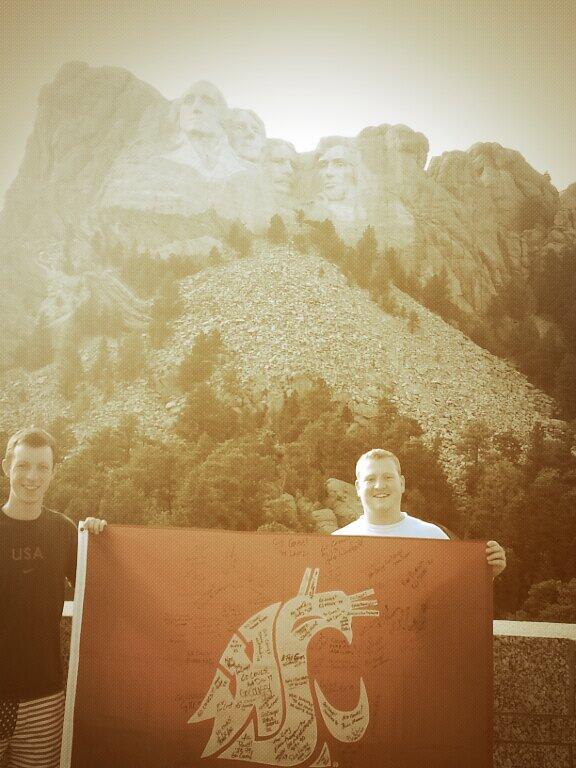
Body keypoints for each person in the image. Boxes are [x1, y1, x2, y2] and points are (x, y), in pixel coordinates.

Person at [0, 427, 106, 768]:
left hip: (44, 695)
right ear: (6, 467)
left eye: (42, 467)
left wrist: (98, 539)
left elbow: (103, 587)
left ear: (53, 471)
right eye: (23, 466)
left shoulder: (62, 532)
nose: (33, 477)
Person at [333, 448, 506, 578]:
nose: (379, 485)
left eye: (388, 477)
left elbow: (457, 595)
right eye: (370, 479)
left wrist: (486, 573)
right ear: (357, 487)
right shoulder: (335, 544)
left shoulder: (433, 536)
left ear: (401, 483)